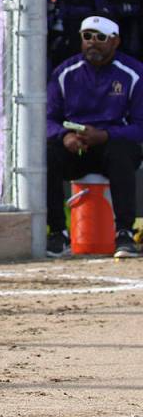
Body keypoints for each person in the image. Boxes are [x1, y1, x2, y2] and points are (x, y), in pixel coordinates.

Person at [46, 13, 143, 258]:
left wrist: (106, 135)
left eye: (100, 37)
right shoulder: (65, 72)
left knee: (121, 153)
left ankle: (124, 233)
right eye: (87, 36)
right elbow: (47, 118)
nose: (92, 42)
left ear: (115, 41)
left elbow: (140, 125)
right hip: (75, 145)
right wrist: (64, 135)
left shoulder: (133, 73)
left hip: (113, 143)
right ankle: (58, 232)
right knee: (47, 156)